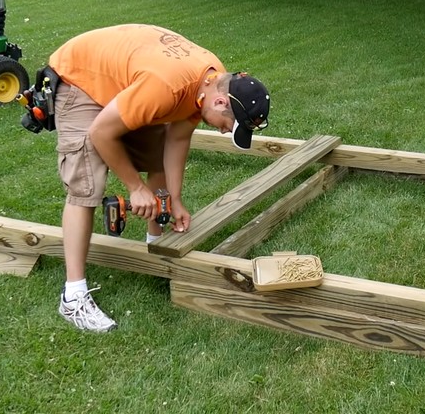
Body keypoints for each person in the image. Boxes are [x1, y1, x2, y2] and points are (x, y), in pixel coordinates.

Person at [47, 23, 270, 332]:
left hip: (132, 79)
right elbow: (101, 132)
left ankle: (158, 251)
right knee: (86, 187)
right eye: (227, 125)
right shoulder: (167, 87)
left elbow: (177, 140)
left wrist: (174, 199)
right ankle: (73, 297)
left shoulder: (211, 78)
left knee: (155, 156)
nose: (222, 130)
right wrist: (135, 188)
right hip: (80, 78)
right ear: (220, 102)